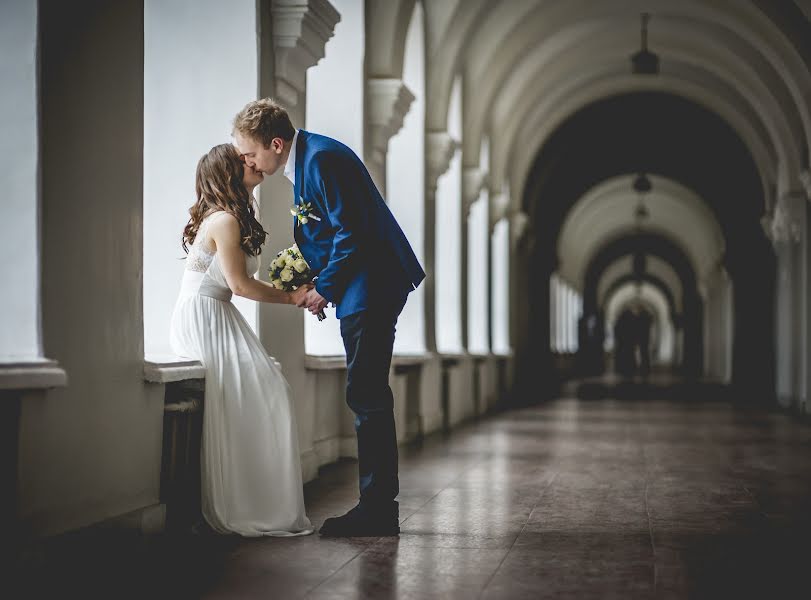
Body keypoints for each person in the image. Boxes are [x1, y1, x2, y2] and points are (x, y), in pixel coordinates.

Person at [233, 98, 425, 537]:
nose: (248, 162)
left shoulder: (321, 161)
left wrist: (324, 290)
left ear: (275, 144)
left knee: (367, 395)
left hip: (369, 288)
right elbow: (330, 231)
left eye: (250, 154)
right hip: (363, 287)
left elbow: (351, 233)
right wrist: (303, 271)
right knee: (367, 393)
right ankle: (378, 505)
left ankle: (377, 509)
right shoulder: (312, 157)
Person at [169, 143, 313, 537]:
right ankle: (243, 504)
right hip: (204, 314)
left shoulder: (232, 217)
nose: (251, 161)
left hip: (217, 311)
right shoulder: (224, 221)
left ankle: (257, 498)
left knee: (272, 388)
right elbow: (240, 285)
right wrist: (292, 297)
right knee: (268, 389)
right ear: (228, 173)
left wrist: (294, 291)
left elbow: (236, 286)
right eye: (242, 160)